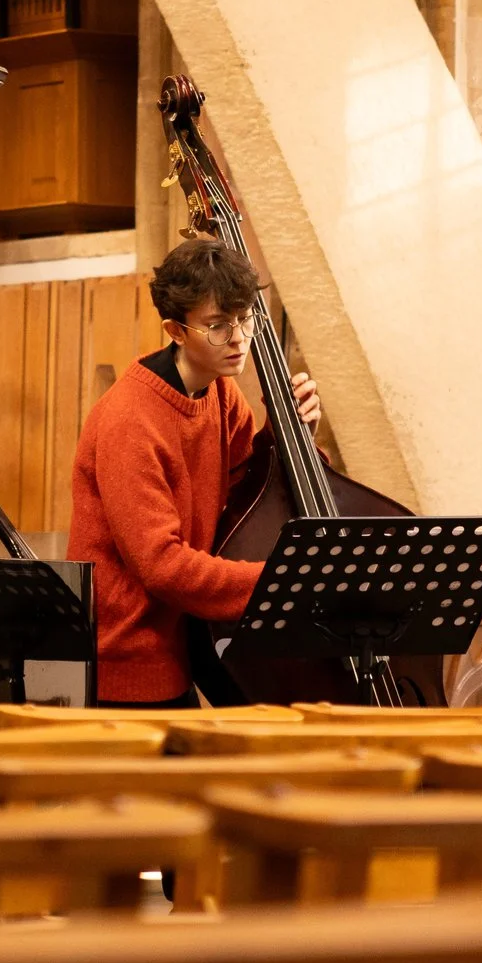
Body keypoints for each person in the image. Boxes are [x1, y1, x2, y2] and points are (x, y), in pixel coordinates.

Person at [68, 238, 319, 707]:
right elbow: (161, 566)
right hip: (128, 663)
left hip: (188, 646)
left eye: (244, 319)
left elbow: (254, 491)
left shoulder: (220, 395)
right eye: (218, 327)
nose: (239, 338)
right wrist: (282, 582)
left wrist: (293, 431)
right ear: (176, 330)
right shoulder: (130, 419)